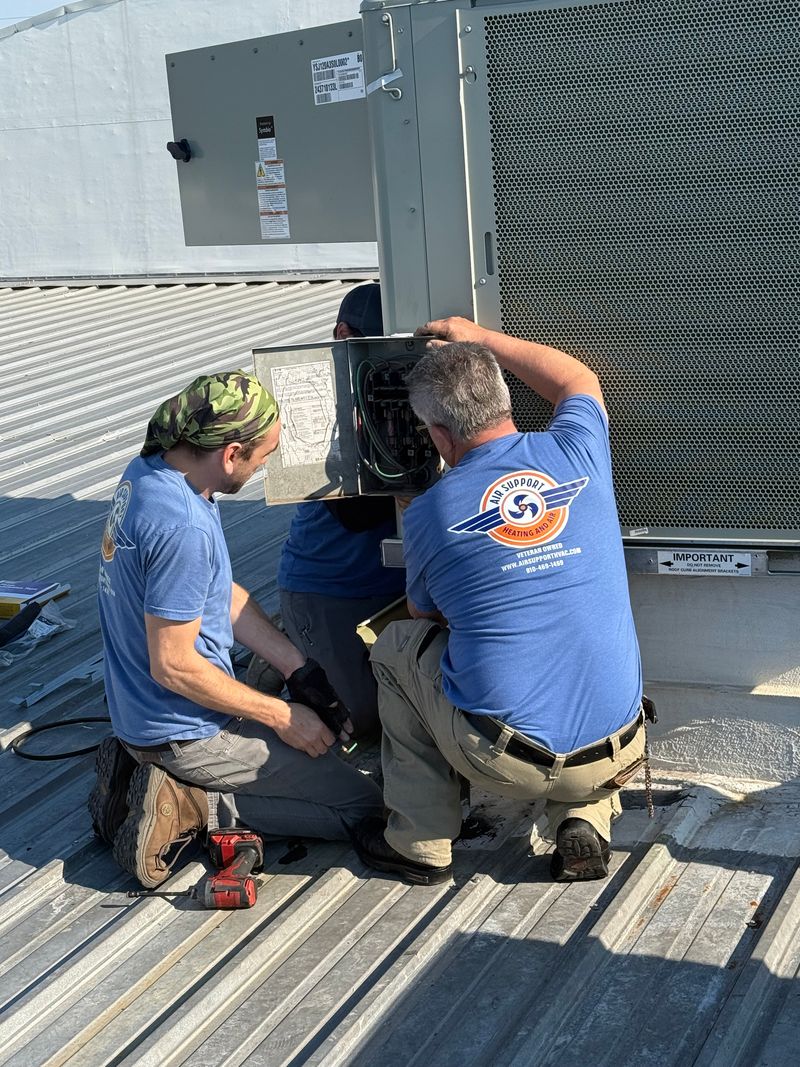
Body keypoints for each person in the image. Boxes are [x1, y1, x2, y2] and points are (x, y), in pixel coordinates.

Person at [352, 317, 644, 886]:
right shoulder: (578, 449)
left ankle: (419, 841)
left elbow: (424, 614)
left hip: (503, 761)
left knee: (396, 646)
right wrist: (481, 338)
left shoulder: (431, 512)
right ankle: (582, 816)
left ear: (438, 436)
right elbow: (576, 378)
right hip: (618, 751)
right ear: (505, 398)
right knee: (581, 628)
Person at [90, 370, 383, 888]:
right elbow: (174, 664)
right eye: (264, 455)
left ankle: (152, 773)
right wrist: (280, 715)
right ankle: (188, 804)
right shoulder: (181, 525)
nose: (266, 465)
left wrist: (300, 669)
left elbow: (214, 591)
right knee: (369, 809)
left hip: (145, 718)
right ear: (230, 453)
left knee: (328, 764)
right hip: (186, 733)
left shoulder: (152, 472)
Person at [248, 283, 405, 738]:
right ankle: (282, 657)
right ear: (343, 335)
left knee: (410, 713)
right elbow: (352, 516)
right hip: (332, 586)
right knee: (354, 724)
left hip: (399, 585)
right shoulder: (311, 398)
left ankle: (295, 646)